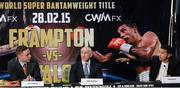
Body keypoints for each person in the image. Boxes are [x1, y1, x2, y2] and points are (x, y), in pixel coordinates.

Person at [94, 20, 161, 81]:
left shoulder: (148, 35)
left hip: (158, 78)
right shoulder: (126, 50)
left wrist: (122, 46)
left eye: (123, 31)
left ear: (134, 28)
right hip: (141, 81)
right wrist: (90, 51)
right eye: (119, 33)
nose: (121, 35)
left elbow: (145, 53)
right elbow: (105, 59)